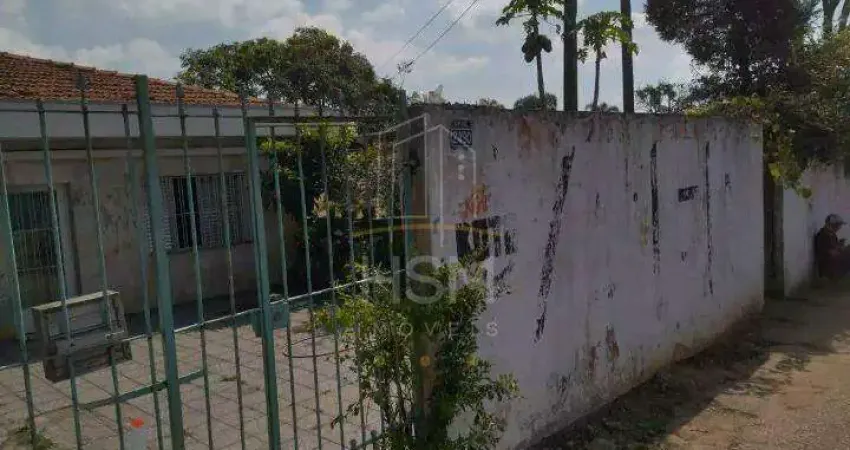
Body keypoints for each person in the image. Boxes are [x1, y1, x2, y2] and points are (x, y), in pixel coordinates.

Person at [815, 214, 850, 279]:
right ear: (830, 225)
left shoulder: (832, 235)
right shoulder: (822, 236)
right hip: (828, 267)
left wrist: (840, 245)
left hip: (833, 263)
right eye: (837, 226)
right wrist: (841, 249)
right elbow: (831, 253)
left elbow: (835, 249)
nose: (839, 228)